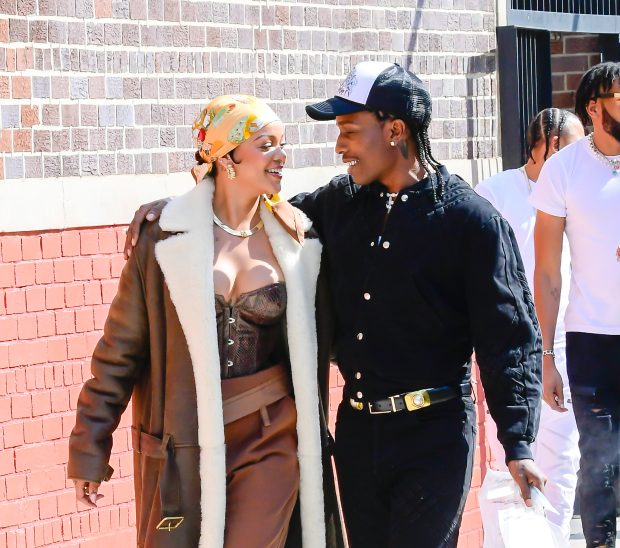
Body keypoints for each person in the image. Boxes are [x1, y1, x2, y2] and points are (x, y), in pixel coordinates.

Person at [125, 62, 545, 547]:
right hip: (358, 435)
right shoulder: (337, 204)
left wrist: (517, 441)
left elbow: (510, 337)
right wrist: (183, 206)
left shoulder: (471, 222)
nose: (339, 146)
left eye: (349, 130)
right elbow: (252, 206)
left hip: (436, 436)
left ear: (394, 130)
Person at [68, 94, 344, 548]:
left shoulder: (298, 238)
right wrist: (89, 447)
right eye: (265, 143)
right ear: (227, 156)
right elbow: (119, 352)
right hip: (184, 441)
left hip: (271, 433)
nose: (281, 155)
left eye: (282, 143)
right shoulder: (163, 238)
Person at [475, 107, 584, 539]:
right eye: (573, 149)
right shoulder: (495, 194)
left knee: (561, 461)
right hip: (509, 349)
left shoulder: (582, 193)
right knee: (508, 462)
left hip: (567, 344)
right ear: (545, 147)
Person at [531, 61, 620, 548]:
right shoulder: (564, 170)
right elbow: (547, 272)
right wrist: (547, 358)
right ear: (595, 106)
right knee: (601, 461)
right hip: (590, 341)